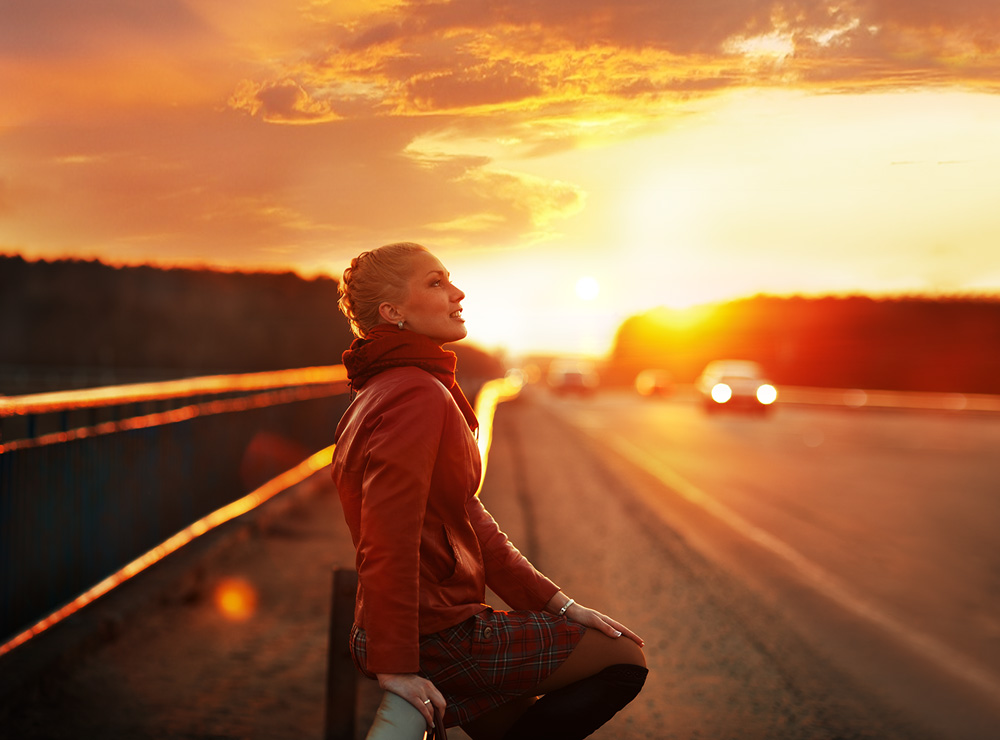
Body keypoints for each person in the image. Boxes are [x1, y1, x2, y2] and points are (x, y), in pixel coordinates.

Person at [331, 242, 647, 739]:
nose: (457, 293)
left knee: (514, 726)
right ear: (394, 313)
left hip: (409, 628)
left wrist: (559, 604)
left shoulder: (379, 389)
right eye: (435, 283)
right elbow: (387, 537)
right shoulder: (415, 393)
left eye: (450, 279)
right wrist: (398, 665)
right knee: (624, 657)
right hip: (436, 634)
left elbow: (467, 517)